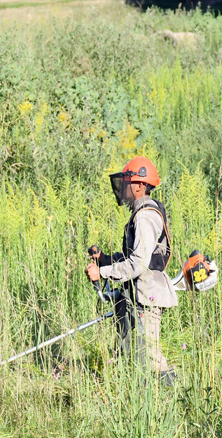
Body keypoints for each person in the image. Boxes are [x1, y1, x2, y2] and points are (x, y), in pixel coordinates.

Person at [85, 157, 179, 386]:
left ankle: (169, 399)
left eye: (127, 183)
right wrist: (105, 260)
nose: (124, 188)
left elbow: (138, 263)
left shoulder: (146, 217)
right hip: (138, 295)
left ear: (139, 185)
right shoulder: (140, 214)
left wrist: (104, 273)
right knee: (133, 352)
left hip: (148, 297)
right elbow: (133, 258)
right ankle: (139, 396)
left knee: (151, 357)